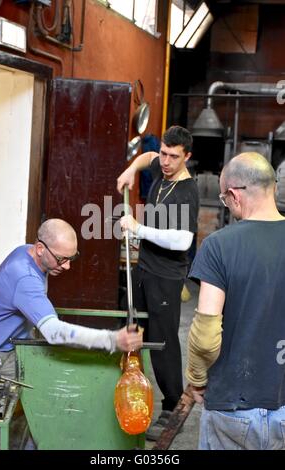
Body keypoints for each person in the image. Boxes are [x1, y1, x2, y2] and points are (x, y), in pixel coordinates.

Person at [185, 152, 285, 450]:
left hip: (233, 407)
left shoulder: (219, 246)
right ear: (274, 189)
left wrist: (197, 378)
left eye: (224, 199)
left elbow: (205, 337)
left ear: (233, 195)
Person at [117, 125, 199, 440]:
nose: (165, 161)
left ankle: (172, 405)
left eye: (173, 157)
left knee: (163, 342)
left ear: (187, 157)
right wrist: (129, 171)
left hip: (167, 276)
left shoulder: (187, 191)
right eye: (164, 153)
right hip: (145, 268)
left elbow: (182, 241)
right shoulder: (161, 166)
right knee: (134, 329)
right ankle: (134, 386)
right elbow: (147, 156)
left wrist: (137, 228)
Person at [0, 218, 143, 380]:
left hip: (9, 345)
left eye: (71, 258)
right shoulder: (25, 277)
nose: (67, 266)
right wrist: (112, 340)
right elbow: (54, 332)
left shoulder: (26, 252)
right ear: (40, 248)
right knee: (65, 376)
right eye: (61, 259)